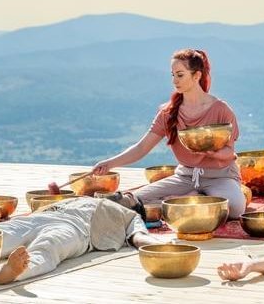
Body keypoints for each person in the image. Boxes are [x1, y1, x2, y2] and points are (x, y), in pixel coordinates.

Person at [92, 49, 246, 219]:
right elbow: (142, 147)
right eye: (172, 75)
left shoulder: (221, 110)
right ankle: (190, 199)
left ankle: (191, 199)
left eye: (180, 75)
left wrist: (212, 153)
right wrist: (109, 164)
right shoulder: (168, 113)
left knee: (235, 207)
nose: (174, 81)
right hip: (185, 177)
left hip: (220, 177)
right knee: (136, 199)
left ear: (197, 76)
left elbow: (229, 153)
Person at [0, 196, 163, 285]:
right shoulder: (82, 198)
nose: (120, 194)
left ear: (132, 207)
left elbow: (140, 238)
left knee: (49, 246)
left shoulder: (130, 216)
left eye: (129, 198)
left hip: (76, 228)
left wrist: (166, 247)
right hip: (43, 217)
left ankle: (14, 272)